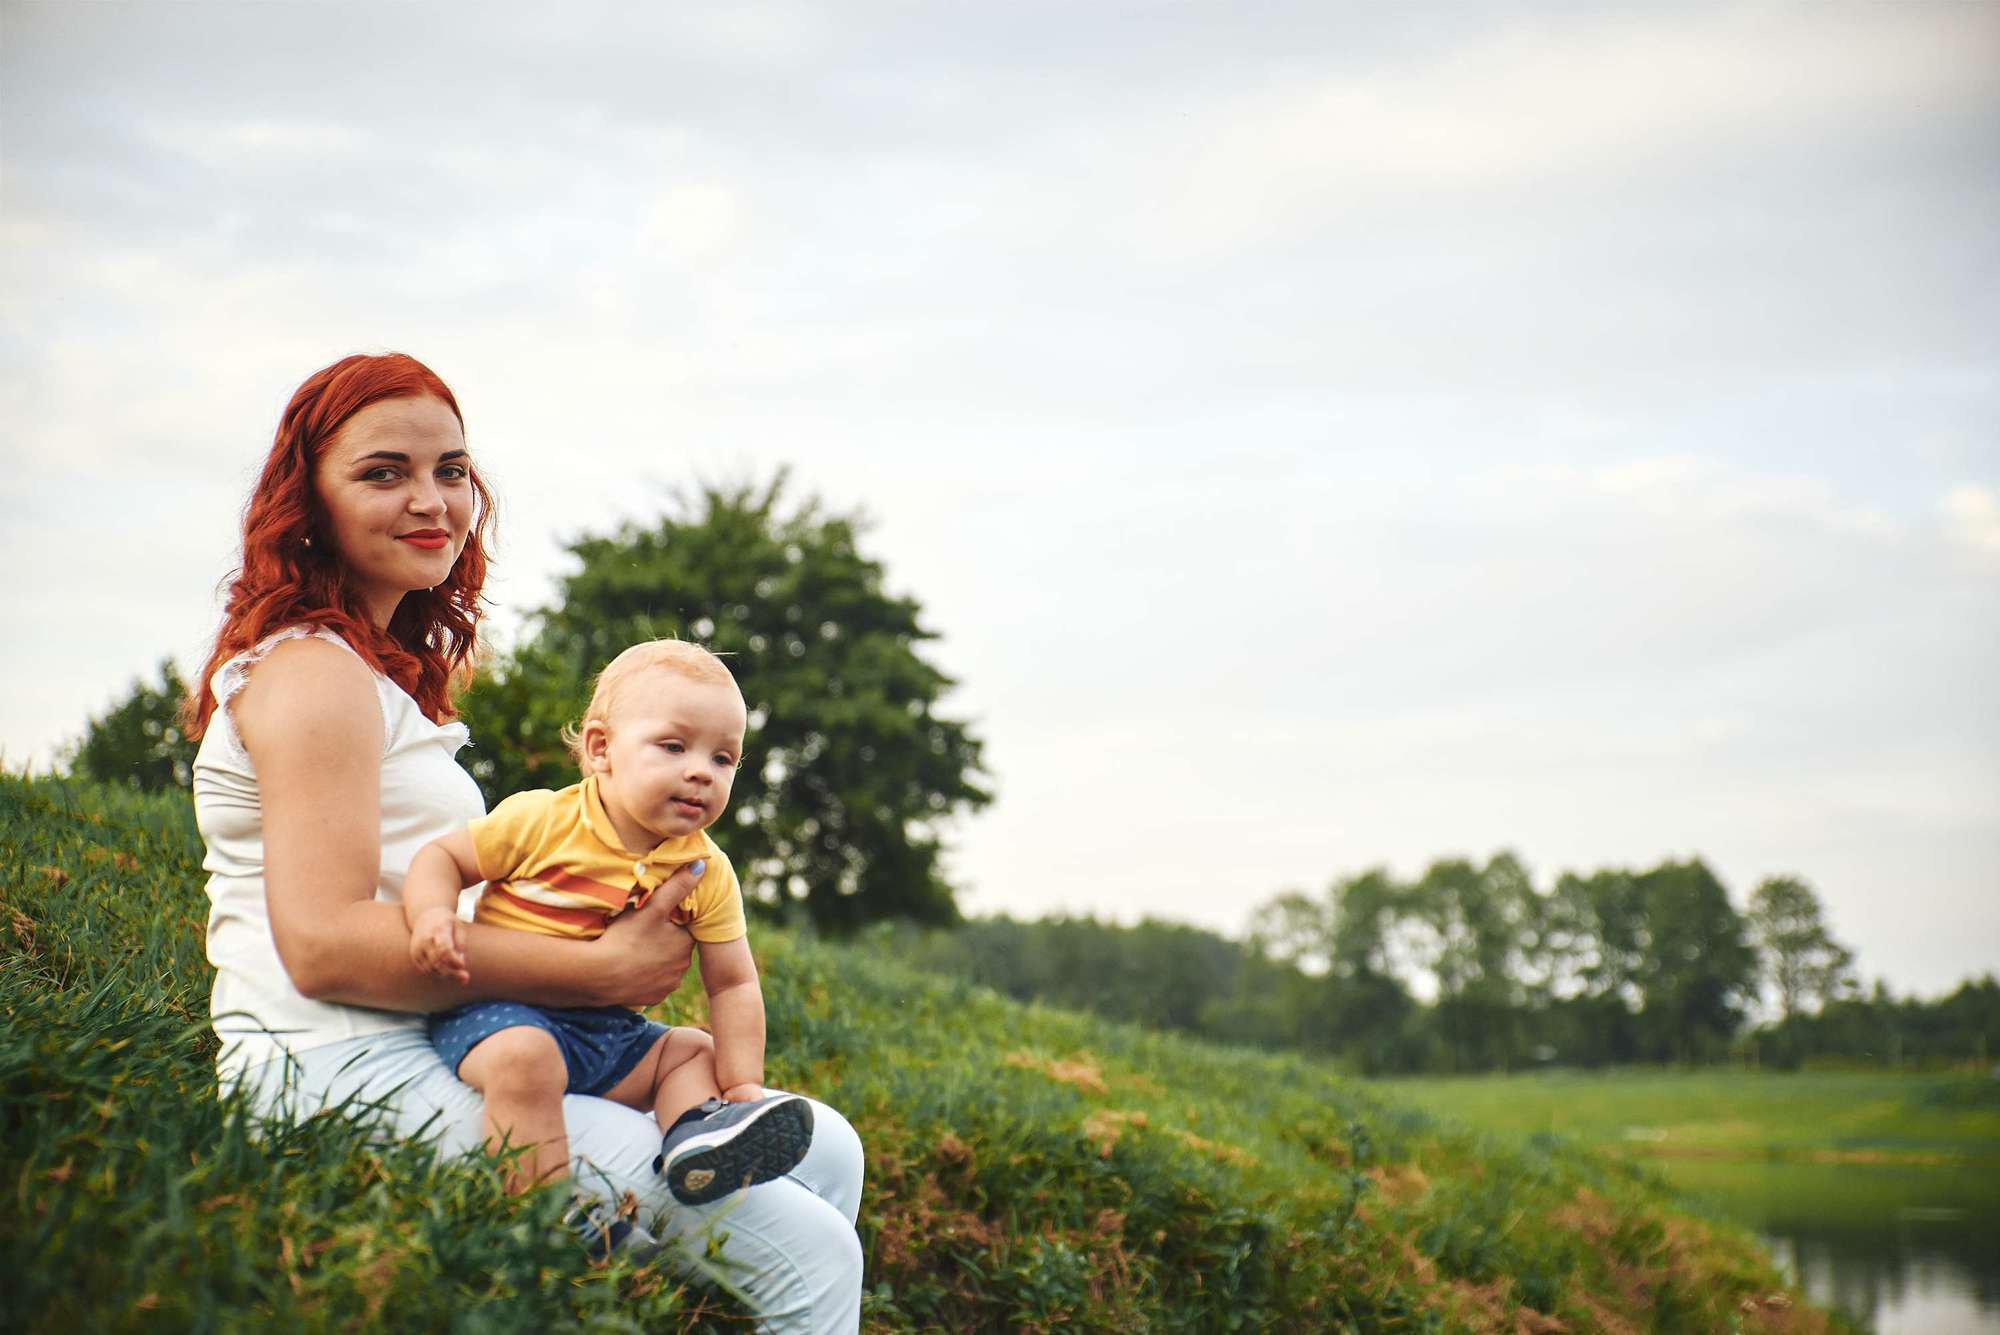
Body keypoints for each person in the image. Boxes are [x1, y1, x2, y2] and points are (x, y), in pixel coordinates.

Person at [185, 352, 864, 1333]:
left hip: (434, 1039)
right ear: (309, 500)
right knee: (813, 1254)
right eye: (384, 473)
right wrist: (592, 970)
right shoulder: (310, 675)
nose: (430, 500)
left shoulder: (376, 677)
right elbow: (325, 946)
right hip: (336, 1072)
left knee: (827, 1148)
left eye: (450, 470)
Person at [402, 638, 812, 1205]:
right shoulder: (544, 820)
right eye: (673, 746)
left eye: (723, 758)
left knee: (692, 1052)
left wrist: (741, 1083)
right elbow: (442, 858)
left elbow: (734, 982)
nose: (701, 773)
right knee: (528, 1058)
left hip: (607, 1037)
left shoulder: (706, 868)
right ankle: (545, 1211)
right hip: (499, 1015)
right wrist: (431, 914)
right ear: (601, 749)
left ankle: (697, 1136)